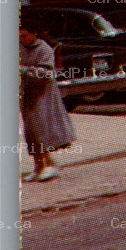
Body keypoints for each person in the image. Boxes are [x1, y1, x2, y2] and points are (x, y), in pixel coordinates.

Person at [20, 22, 76, 182]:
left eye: (25, 35)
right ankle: (39, 166)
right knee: (30, 132)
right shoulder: (21, 48)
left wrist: (22, 69)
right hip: (27, 93)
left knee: (41, 130)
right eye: (19, 36)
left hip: (43, 94)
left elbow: (46, 73)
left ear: (34, 33)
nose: (22, 39)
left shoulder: (44, 49)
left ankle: (48, 165)